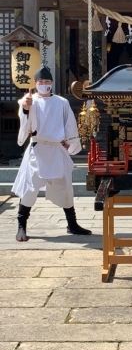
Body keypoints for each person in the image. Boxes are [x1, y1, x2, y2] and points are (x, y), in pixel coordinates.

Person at [12, 65, 91, 242]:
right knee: (30, 188)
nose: (44, 84)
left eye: (47, 82)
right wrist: (25, 107)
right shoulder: (29, 100)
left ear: (52, 83)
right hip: (37, 149)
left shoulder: (61, 102)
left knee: (64, 187)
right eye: (41, 82)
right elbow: (23, 115)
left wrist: (71, 144)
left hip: (56, 149)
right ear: (35, 83)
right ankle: (21, 226)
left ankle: (72, 224)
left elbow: (70, 124)